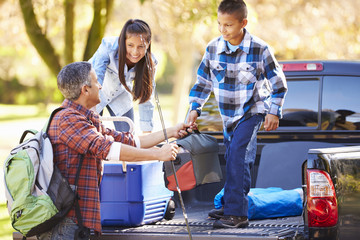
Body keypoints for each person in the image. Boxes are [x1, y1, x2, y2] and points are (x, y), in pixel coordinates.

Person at [37, 61, 193, 239]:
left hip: (79, 223)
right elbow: (109, 150)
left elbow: (129, 141)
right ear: (85, 90)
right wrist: (158, 154)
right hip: (67, 224)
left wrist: (171, 132)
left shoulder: (85, 120)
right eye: (96, 81)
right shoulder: (68, 120)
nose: (100, 85)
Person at [187, 0, 287, 229]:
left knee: (239, 157)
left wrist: (274, 112)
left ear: (243, 23)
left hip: (251, 112)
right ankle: (230, 203)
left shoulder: (260, 49)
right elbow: (202, 84)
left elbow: (279, 84)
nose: (223, 30)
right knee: (232, 159)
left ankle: (236, 215)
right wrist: (194, 108)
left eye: (229, 25)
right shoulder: (213, 48)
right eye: (220, 24)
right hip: (227, 116)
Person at [89, 19, 156, 133]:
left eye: (141, 46)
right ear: (122, 41)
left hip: (119, 93)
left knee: (129, 134)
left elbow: (146, 97)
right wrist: (92, 109)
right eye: (130, 45)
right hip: (94, 91)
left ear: (148, 45)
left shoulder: (150, 63)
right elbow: (96, 77)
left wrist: (147, 133)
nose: (135, 52)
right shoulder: (108, 46)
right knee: (91, 133)